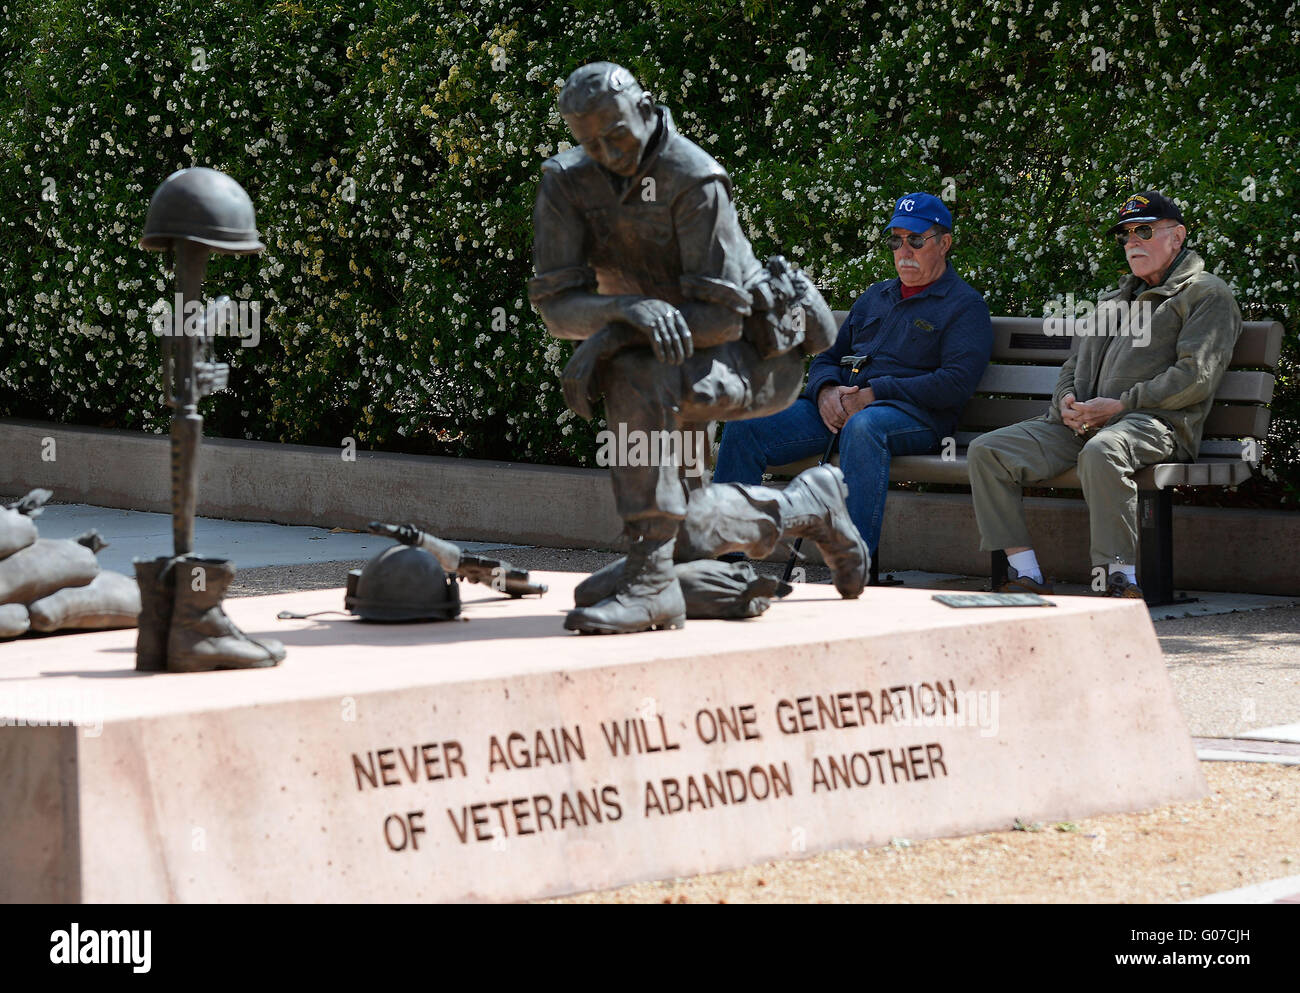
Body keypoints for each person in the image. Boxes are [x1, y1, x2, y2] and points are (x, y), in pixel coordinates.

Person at [529, 62, 867, 634]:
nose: (607, 152)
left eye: (617, 134)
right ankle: (809, 504)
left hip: (749, 356)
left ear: (646, 108)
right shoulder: (566, 182)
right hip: (666, 353)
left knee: (632, 373)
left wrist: (614, 333)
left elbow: (721, 316)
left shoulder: (693, 178)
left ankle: (654, 583)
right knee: (657, 544)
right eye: (590, 143)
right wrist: (624, 312)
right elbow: (556, 303)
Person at [967, 190, 1243, 598]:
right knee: (987, 451)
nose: (1133, 242)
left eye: (1144, 231)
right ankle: (1026, 573)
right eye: (1126, 235)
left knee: (1103, 451)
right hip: (1084, 423)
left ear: (1178, 236)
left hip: (1154, 423)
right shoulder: (1114, 299)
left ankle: (1119, 578)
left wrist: (1120, 404)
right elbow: (1071, 366)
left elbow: (1195, 375)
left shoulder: (1206, 294)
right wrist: (1066, 402)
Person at [712, 192, 994, 563]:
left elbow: (954, 384)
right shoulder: (876, 296)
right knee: (747, 425)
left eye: (916, 240)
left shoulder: (964, 305)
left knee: (864, 426)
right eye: (896, 240)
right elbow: (827, 355)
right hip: (845, 407)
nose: (904, 250)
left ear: (944, 243)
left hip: (913, 416)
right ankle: (725, 564)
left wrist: (875, 393)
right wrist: (826, 391)